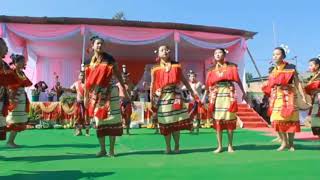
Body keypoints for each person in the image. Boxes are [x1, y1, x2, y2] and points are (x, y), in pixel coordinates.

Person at [84, 36, 131, 157]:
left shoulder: (109, 59)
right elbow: (87, 81)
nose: (100, 46)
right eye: (97, 44)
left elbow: (118, 75)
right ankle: (102, 149)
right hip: (96, 94)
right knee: (99, 122)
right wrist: (86, 97)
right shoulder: (88, 62)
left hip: (111, 93)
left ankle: (111, 150)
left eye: (101, 44)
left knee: (113, 120)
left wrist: (124, 91)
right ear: (92, 46)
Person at [150, 45, 197, 154]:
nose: (164, 51)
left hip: (175, 96)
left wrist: (192, 91)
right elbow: (152, 83)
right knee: (166, 123)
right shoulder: (155, 68)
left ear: (169, 51)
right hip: (162, 97)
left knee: (176, 123)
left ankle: (176, 145)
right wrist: (152, 98)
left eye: (166, 49)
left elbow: (183, 79)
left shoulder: (176, 65)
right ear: (158, 53)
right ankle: (167, 147)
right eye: (162, 50)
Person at [202, 48, 247, 153]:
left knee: (229, 119)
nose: (217, 55)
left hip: (228, 93)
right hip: (216, 95)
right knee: (218, 120)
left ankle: (230, 145)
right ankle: (220, 146)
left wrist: (243, 91)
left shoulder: (231, 66)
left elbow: (238, 79)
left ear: (224, 55)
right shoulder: (211, 70)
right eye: (215, 53)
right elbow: (208, 85)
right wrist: (204, 97)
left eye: (219, 53)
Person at [262, 47, 306, 151]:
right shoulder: (273, 70)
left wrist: (303, 95)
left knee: (291, 120)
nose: (275, 56)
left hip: (289, 95)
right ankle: (283, 142)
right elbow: (271, 85)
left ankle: (291, 144)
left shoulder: (291, 67)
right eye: (273, 54)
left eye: (277, 54)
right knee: (275, 119)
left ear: (283, 55)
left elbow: (297, 82)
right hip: (277, 96)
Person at [5, 54, 32, 148]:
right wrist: (10, 96)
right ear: (16, 63)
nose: (24, 63)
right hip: (13, 97)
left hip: (22, 98)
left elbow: (25, 84)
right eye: (21, 61)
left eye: (24, 61)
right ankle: (9, 142)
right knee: (13, 120)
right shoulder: (11, 72)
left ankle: (10, 141)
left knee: (19, 120)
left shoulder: (22, 73)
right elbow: (7, 85)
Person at [65, 71, 90, 136]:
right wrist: (63, 89)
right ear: (78, 76)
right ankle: (79, 131)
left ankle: (87, 132)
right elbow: (70, 89)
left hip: (85, 103)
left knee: (86, 117)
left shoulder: (87, 84)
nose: (82, 76)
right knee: (77, 117)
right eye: (80, 75)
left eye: (83, 75)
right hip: (78, 103)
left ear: (85, 76)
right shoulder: (76, 84)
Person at [183, 70, 205, 134]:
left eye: (193, 76)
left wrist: (203, 97)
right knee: (190, 115)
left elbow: (204, 89)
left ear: (195, 77)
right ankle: (191, 128)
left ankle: (197, 128)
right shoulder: (187, 84)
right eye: (191, 76)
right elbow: (182, 89)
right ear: (189, 77)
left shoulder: (199, 83)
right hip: (191, 101)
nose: (192, 78)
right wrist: (185, 97)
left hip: (198, 101)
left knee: (198, 115)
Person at [116, 65, 135, 135]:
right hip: (120, 102)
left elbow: (132, 93)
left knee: (128, 116)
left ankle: (127, 130)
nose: (125, 78)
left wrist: (132, 98)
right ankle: (121, 129)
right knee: (121, 116)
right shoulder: (117, 85)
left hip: (128, 102)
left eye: (126, 77)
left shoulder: (130, 84)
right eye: (123, 77)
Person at [304, 57, 320, 138]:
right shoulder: (314, 76)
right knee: (315, 121)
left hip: (318, 100)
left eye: (311, 65)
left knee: (314, 119)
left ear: (317, 65)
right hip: (315, 100)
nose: (309, 67)